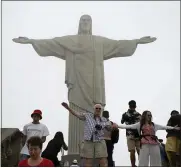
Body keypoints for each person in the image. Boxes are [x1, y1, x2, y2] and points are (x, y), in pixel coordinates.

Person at [61, 102, 118, 167]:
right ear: (94, 109)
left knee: (103, 159)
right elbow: (77, 114)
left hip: (99, 141)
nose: (98, 110)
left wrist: (114, 126)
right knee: (88, 160)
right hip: (88, 140)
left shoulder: (104, 120)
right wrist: (68, 108)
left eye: (100, 108)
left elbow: (109, 129)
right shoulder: (87, 116)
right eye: (97, 108)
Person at [121, 100, 141, 167]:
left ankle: (141, 164)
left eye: (133, 105)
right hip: (130, 134)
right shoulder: (125, 114)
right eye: (132, 105)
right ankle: (133, 165)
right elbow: (122, 122)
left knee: (139, 151)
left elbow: (142, 124)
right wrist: (126, 118)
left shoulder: (138, 114)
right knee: (133, 151)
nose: (132, 107)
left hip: (137, 135)